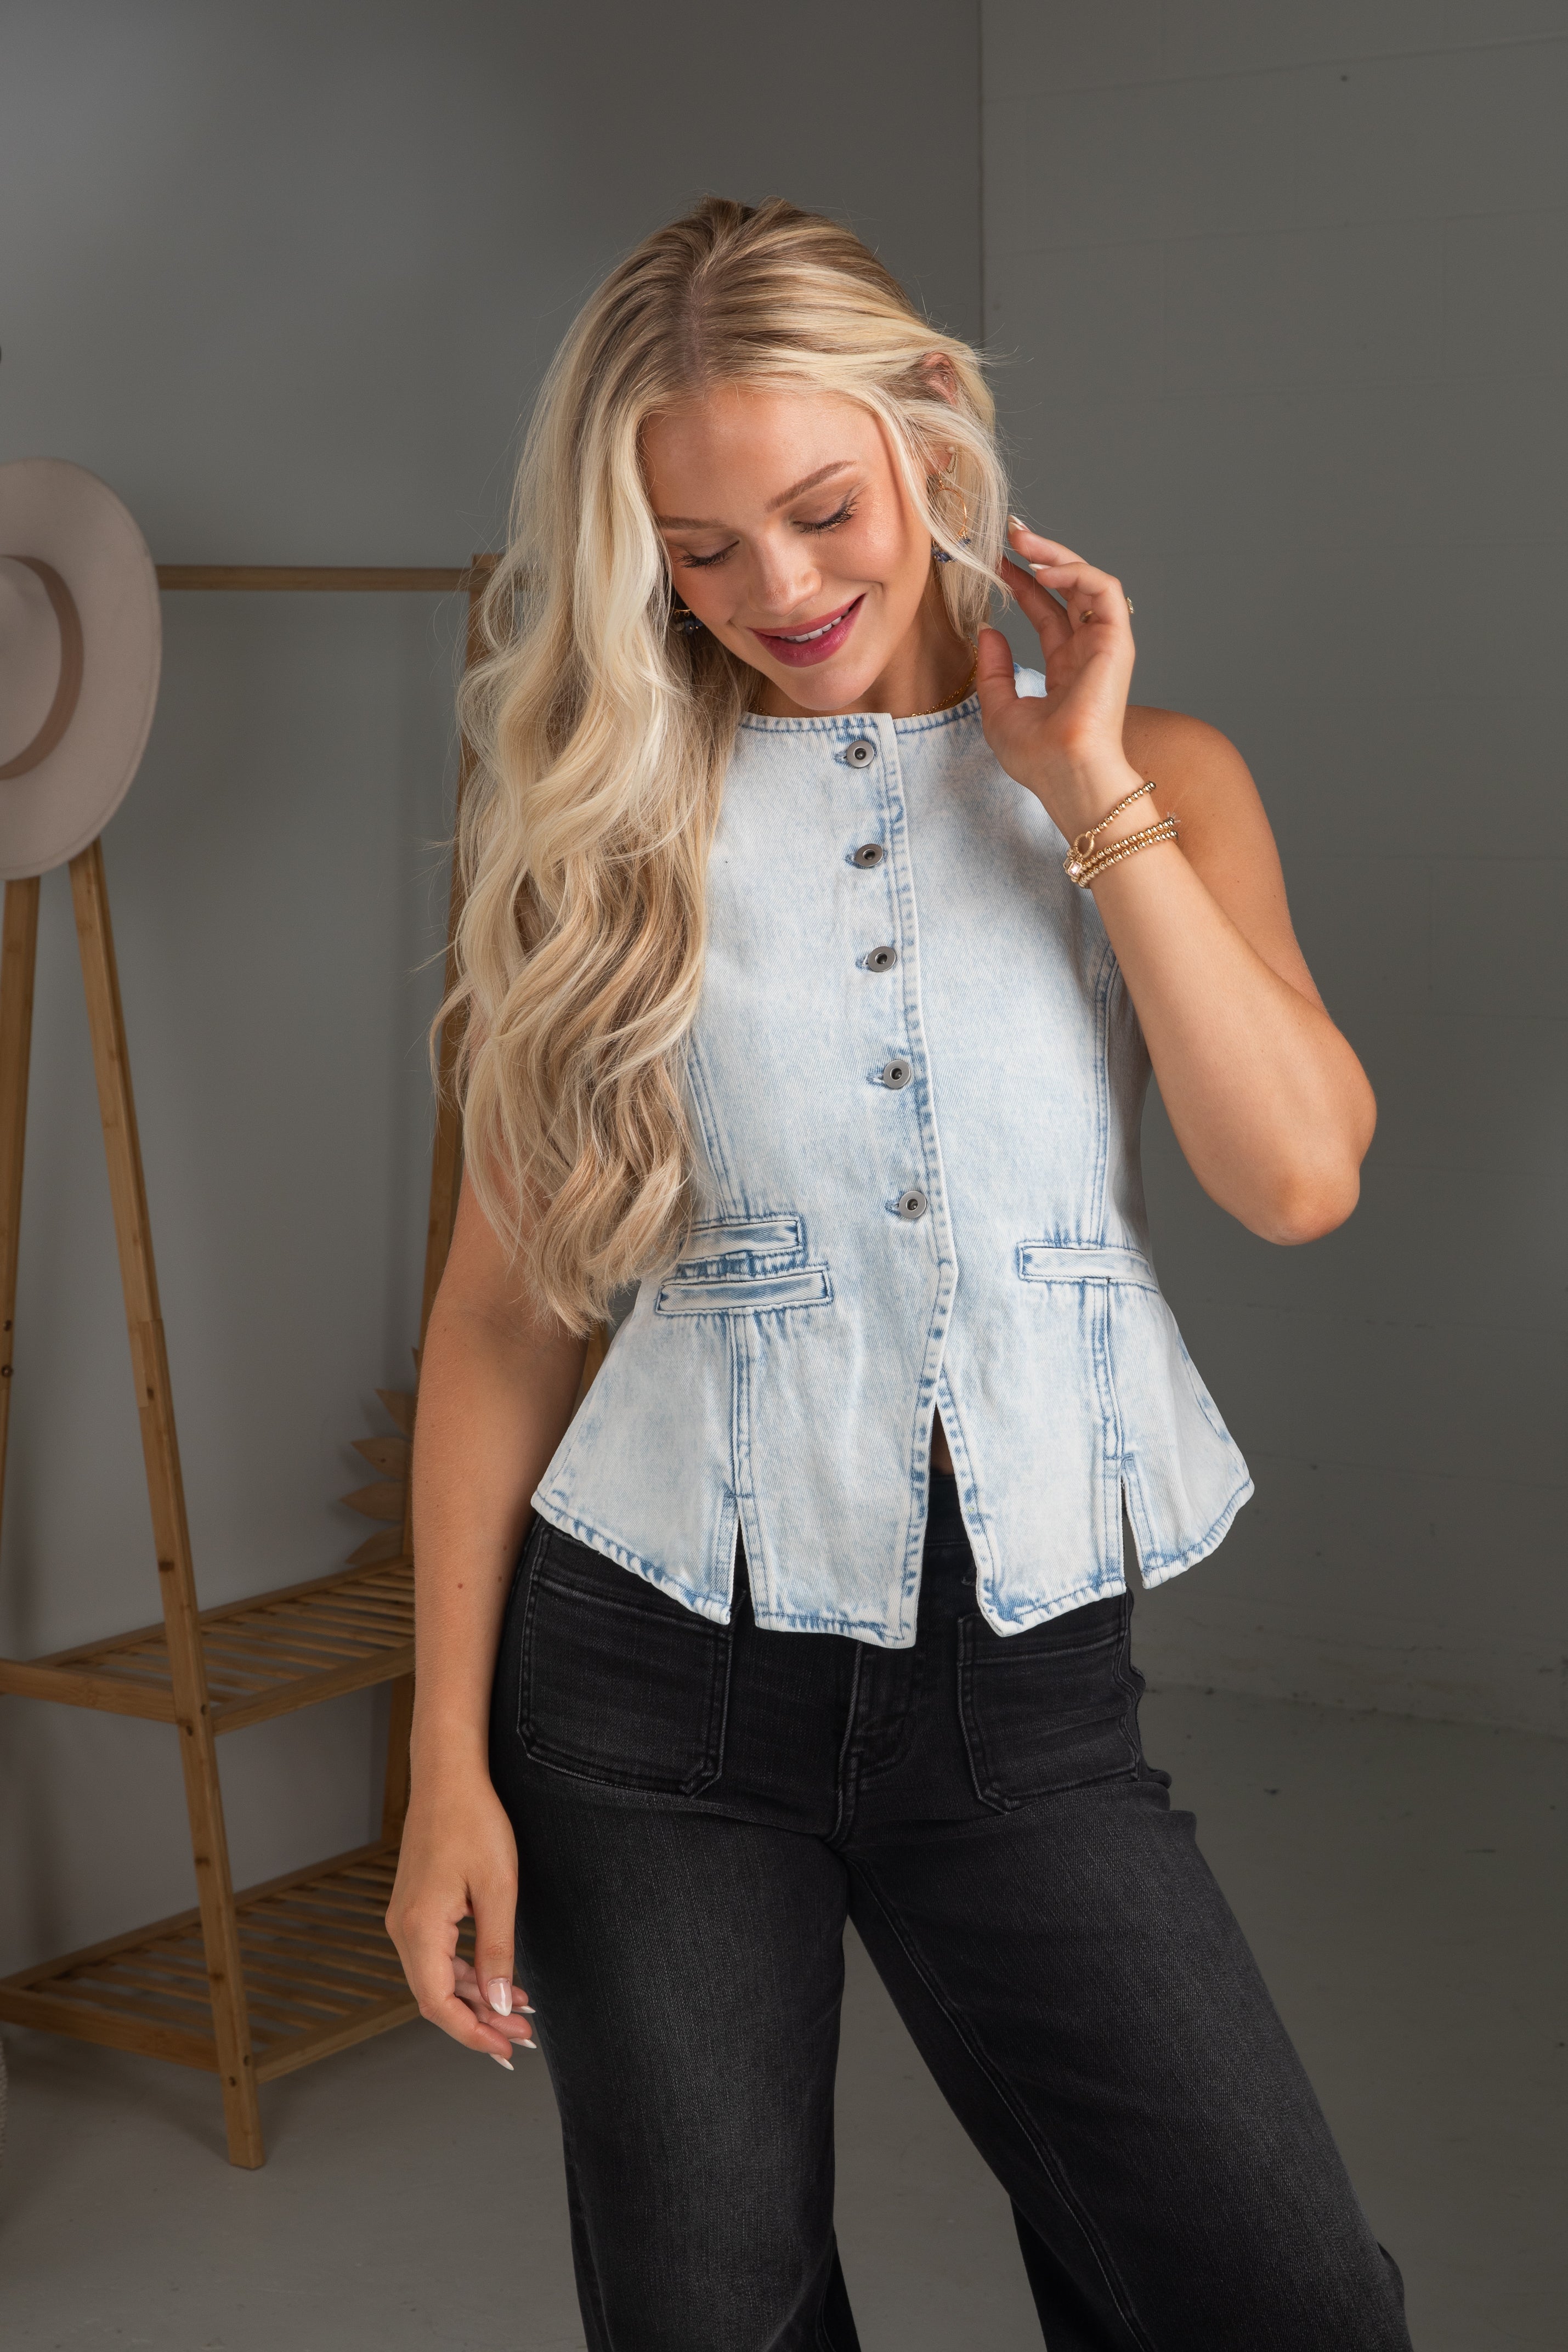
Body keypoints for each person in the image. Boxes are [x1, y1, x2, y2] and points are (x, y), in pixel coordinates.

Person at [386, 197, 1410, 2352]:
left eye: (820, 509)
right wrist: (445, 1767)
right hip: (648, 1708)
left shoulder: (1160, 786)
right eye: (697, 548)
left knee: (1278, 2300)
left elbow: (1297, 1176)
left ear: (930, 435)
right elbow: (502, 1317)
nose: (778, 591)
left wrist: (1090, 785)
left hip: (1021, 1701)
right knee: (712, 2322)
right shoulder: (596, 824)